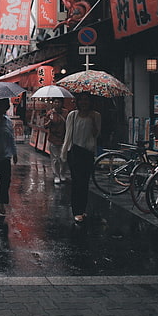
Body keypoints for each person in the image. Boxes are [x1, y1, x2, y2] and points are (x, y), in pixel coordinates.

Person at [61, 92, 101, 223]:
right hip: (74, 152)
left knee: (84, 183)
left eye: (86, 100)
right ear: (77, 102)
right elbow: (68, 134)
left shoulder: (96, 116)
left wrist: (93, 120)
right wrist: (65, 152)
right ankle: (76, 211)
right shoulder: (72, 116)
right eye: (82, 100)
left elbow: (96, 134)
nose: (84, 102)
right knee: (76, 182)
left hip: (87, 153)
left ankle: (82, 209)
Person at [43, 98, 69, 184]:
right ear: (53, 103)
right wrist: (49, 121)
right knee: (55, 159)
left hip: (64, 138)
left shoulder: (66, 113)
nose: (57, 104)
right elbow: (45, 126)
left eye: (59, 102)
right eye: (55, 102)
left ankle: (62, 174)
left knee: (63, 158)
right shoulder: (50, 113)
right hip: (53, 138)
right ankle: (56, 175)